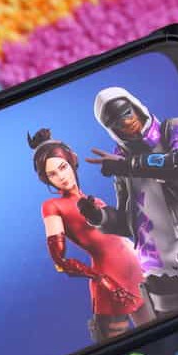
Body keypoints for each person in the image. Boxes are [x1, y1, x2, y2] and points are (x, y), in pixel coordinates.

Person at [79, 87, 178, 319]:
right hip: (153, 263)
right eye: (117, 122)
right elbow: (128, 222)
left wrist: (130, 165)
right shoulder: (120, 157)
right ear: (112, 130)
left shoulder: (174, 129)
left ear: (136, 106)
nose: (126, 122)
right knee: (175, 328)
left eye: (127, 113)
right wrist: (98, 216)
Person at [27, 128, 153, 343]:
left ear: (72, 161)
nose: (61, 177)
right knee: (121, 351)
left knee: (163, 334)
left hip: (137, 268)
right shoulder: (52, 206)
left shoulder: (89, 199)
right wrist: (99, 278)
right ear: (46, 179)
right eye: (52, 174)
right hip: (110, 281)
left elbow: (123, 229)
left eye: (62, 167)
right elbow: (59, 260)